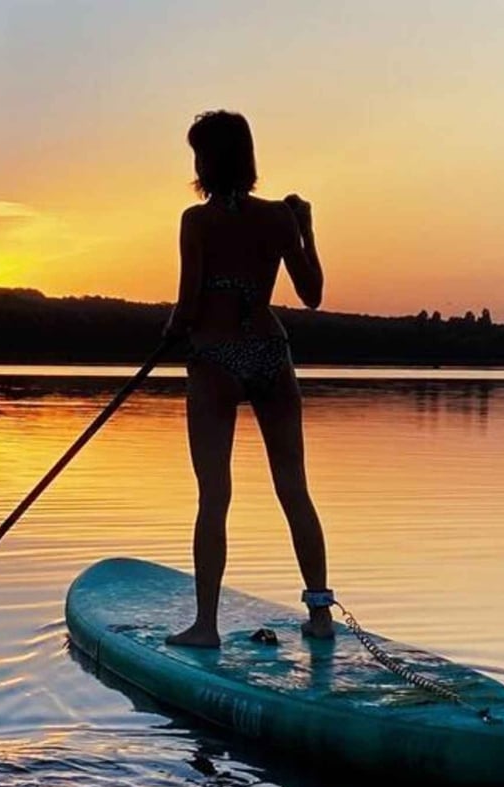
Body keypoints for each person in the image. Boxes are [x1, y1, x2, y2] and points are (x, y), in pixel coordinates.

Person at [162, 110, 334, 647]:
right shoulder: (278, 219)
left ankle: (206, 626)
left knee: (214, 495)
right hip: (269, 354)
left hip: (215, 360)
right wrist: (305, 230)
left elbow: (188, 306)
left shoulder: (197, 221)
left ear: (206, 163)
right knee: (294, 490)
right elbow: (312, 294)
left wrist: (170, 336)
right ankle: (321, 616)